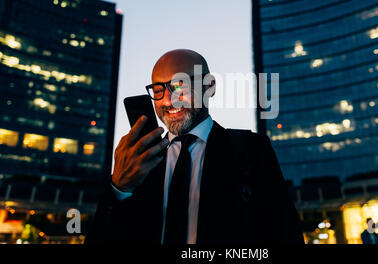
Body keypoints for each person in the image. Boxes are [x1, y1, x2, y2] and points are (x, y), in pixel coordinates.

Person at [86, 49, 304, 244]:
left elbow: (286, 234)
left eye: (180, 85)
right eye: (158, 89)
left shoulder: (251, 149)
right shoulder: (139, 160)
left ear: (209, 86)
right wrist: (119, 188)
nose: (168, 100)